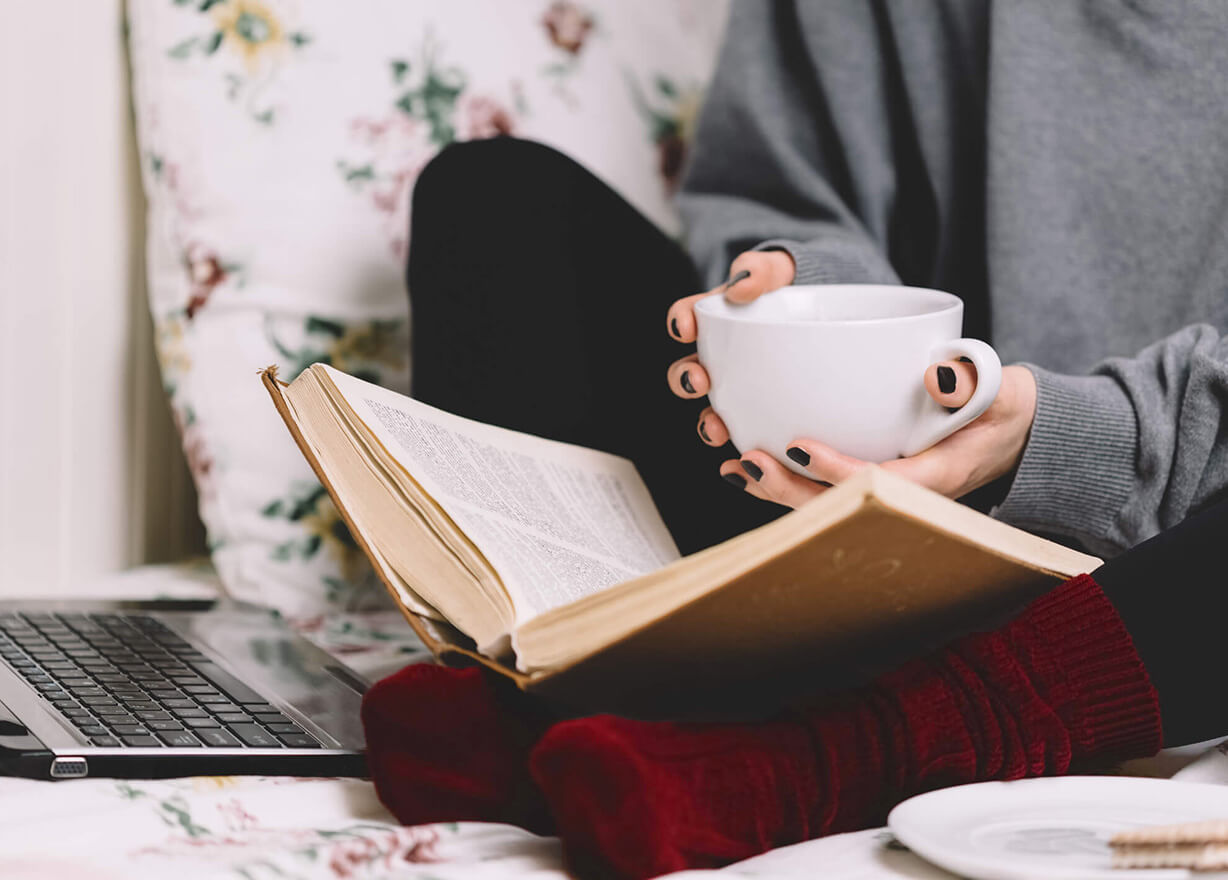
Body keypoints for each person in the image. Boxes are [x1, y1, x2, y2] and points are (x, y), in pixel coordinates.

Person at [391, 1, 1228, 876]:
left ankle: (833, 756)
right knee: (495, 199)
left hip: (1175, 580)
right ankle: (576, 688)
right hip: (858, 507)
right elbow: (783, 194)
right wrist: (813, 320)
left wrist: (1054, 435)